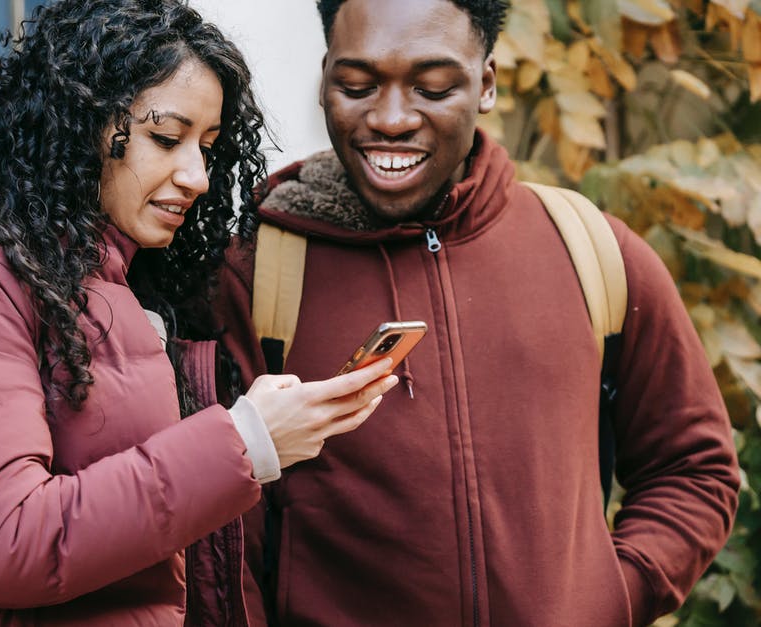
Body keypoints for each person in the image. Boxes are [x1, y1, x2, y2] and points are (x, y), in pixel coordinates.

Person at [0, 1, 398, 624]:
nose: (198, 175)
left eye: (208, 146)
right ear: (80, 124)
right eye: (167, 139)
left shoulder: (130, 285)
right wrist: (246, 441)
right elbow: (5, 542)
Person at [213, 1, 741, 625]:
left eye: (433, 87)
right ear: (325, 77)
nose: (390, 118)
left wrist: (609, 599)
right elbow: (223, 535)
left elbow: (694, 466)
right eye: (357, 86)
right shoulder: (257, 269)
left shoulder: (590, 249)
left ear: (485, 83)